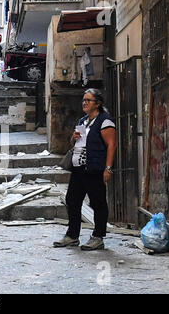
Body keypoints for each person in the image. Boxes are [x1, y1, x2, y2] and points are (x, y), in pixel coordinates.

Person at [53, 89, 117, 251]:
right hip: (79, 167)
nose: (85, 103)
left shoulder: (105, 121)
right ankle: (72, 236)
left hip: (94, 167)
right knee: (72, 200)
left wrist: (108, 168)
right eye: (84, 100)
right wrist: (72, 138)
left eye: (88, 100)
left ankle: (98, 237)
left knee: (98, 202)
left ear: (98, 103)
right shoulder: (83, 121)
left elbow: (111, 145)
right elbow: (76, 143)